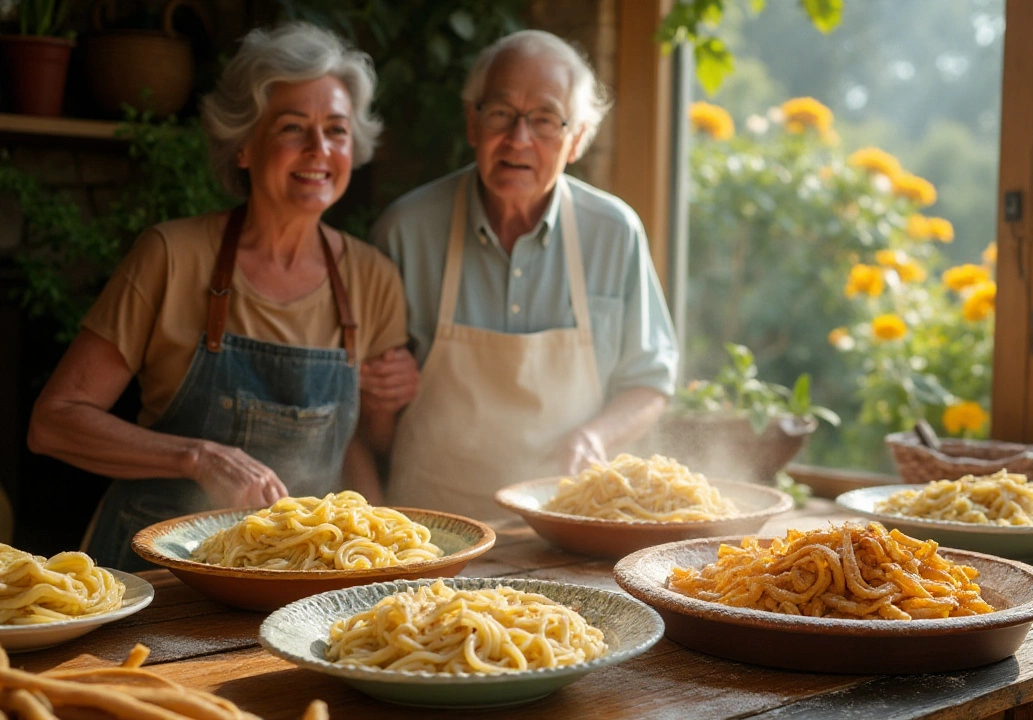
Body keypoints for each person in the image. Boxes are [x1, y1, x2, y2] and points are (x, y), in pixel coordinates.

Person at [26, 23, 413, 571]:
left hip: (300, 577)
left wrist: (383, 557)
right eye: (292, 128)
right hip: (156, 572)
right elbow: (54, 421)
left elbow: (358, 446)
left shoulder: (372, 278)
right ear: (244, 147)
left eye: (336, 130)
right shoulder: (171, 254)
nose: (319, 150)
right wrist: (197, 456)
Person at [365, 30, 679, 518]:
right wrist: (382, 395)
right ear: (472, 122)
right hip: (431, 534)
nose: (518, 138)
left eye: (546, 119)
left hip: (568, 525)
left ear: (577, 139)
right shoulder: (406, 231)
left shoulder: (614, 233)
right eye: (500, 114)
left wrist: (592, 437)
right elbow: (366, 416)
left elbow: (649, 381)